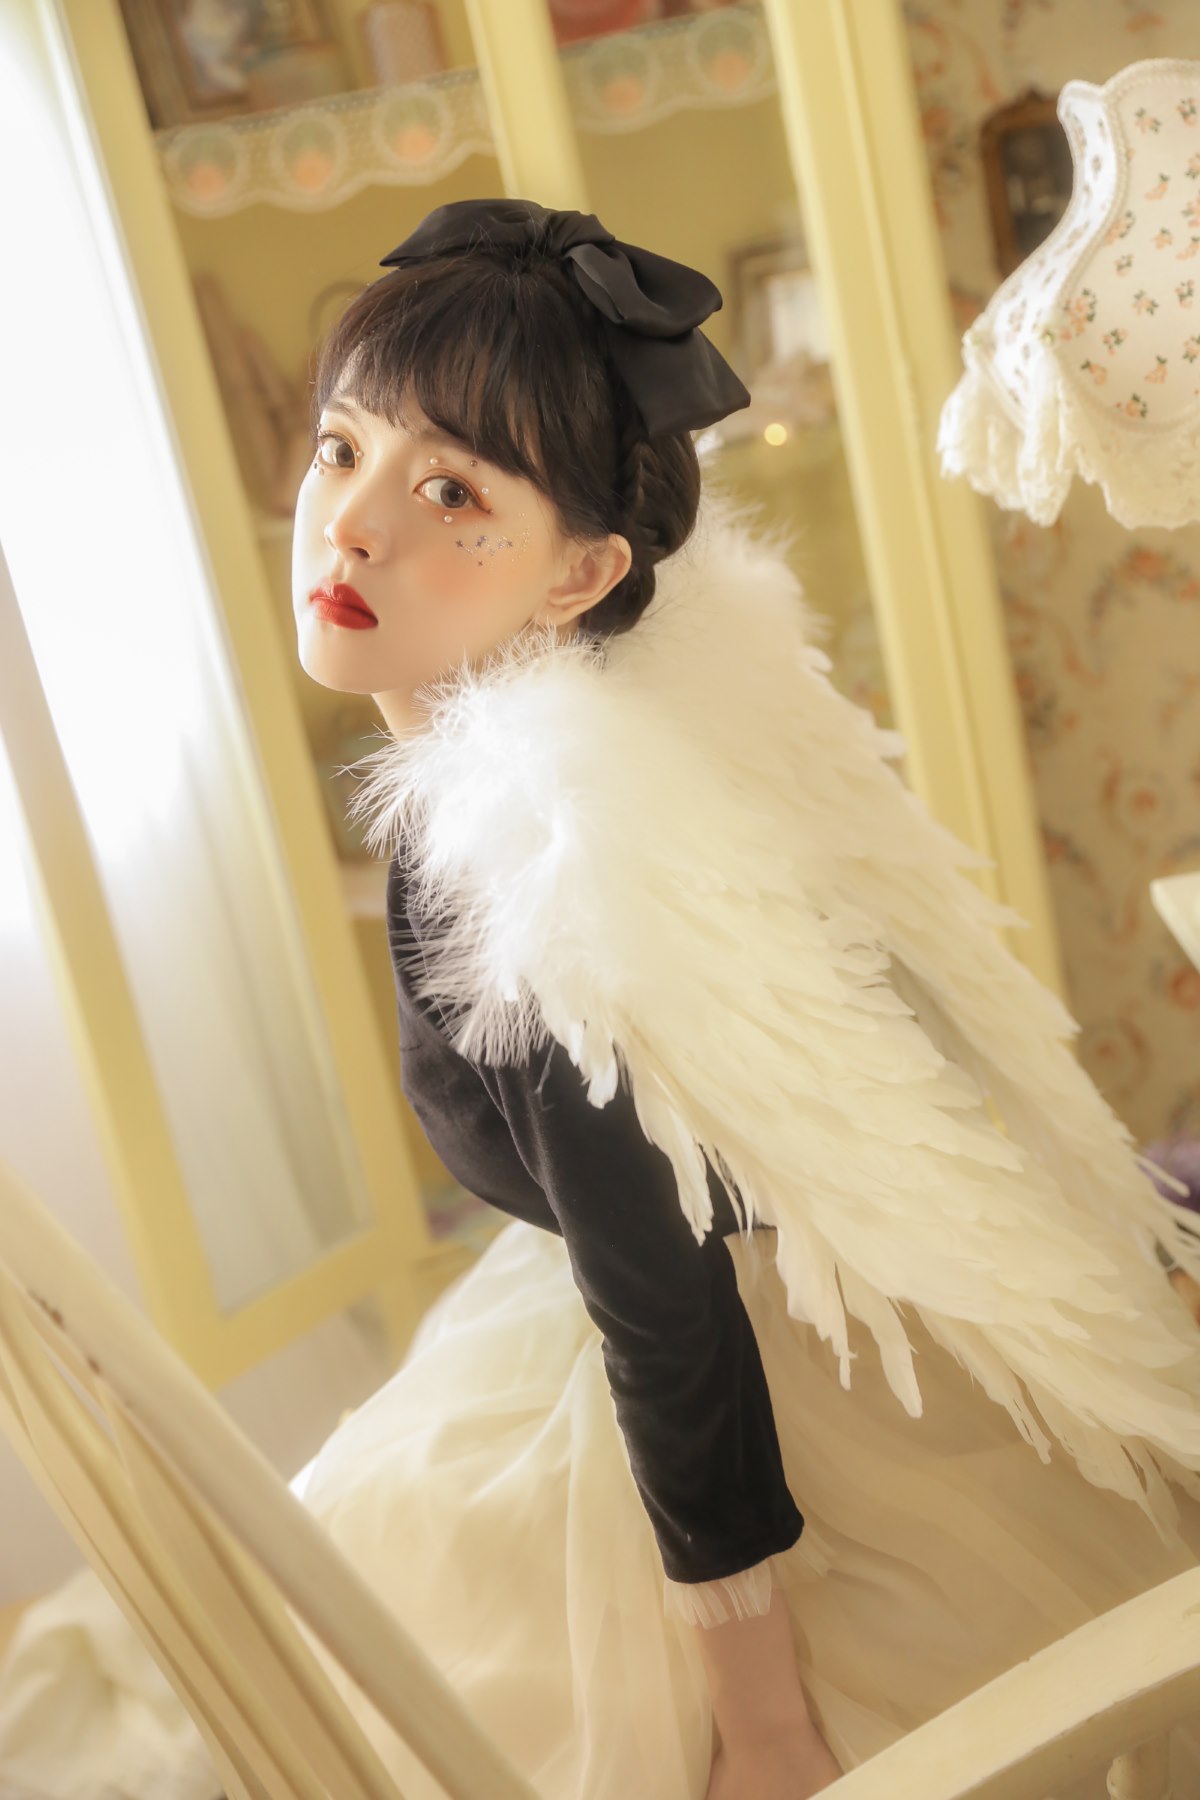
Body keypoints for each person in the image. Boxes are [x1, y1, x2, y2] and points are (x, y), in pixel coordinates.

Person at [4, 195, 1200, 1800]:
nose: (350, 526)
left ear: (580, 575)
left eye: (450, 491)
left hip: (769, 1388)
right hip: (661, 1294)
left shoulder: (540, 852)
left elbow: (666, 1304)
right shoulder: (609, 728)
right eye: (342, 448)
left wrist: (762, 1722)